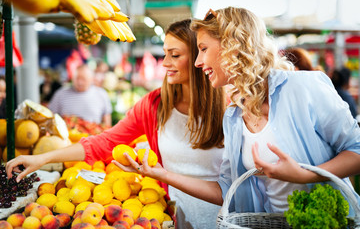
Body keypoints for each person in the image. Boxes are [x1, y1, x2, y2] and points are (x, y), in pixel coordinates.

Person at [114, 7, 360, 217]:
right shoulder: (233, 117)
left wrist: (305, 176)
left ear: (232, 46)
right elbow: (227, 191)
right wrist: (160, 174)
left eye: (203, 49)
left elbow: (356, 150)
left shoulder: (303, 87)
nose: (198, 62)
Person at [6, 19, 227, 229]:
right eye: (165, 54)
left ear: (201, 57)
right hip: (174, 218)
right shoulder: (154, 106)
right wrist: (42, 158)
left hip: (228, 217)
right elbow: (104, 142)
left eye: (175, 55)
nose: (165, 63)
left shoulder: (229, 106)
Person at [48, 63, 112, 127]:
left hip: (93, 134)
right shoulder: (60, 94)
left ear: (91, 79)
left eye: (83, 79)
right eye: (77, 78)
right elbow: (51, 115)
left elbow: (107, 119)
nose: (79, 82)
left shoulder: (101, 94)